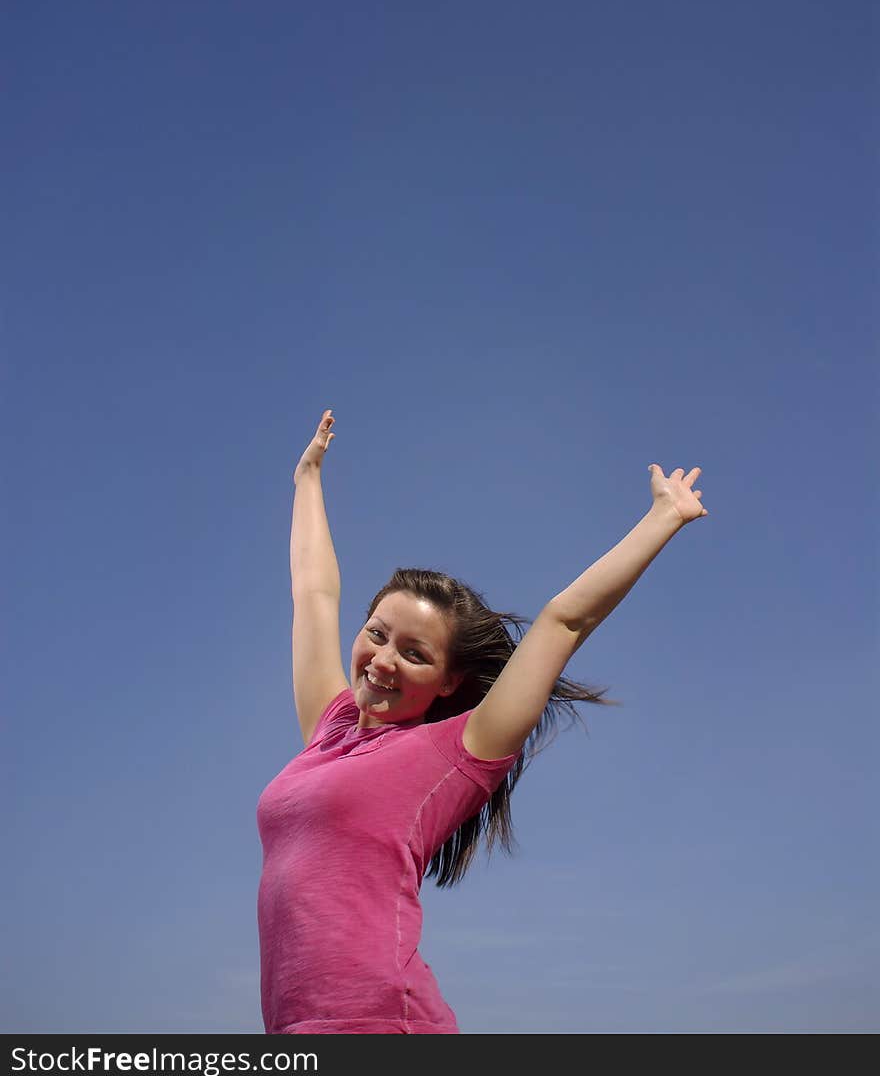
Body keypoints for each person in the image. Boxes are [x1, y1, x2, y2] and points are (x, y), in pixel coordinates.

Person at [256, 409, 708, 1035]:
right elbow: (313, 592)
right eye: (377, 635)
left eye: (414, 654)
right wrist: (307, 478)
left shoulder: (455, 752)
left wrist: (664, 517)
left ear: (450, 682)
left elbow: (563, 622)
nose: (383, 660)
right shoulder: (328, 733)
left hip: (385, 1024)